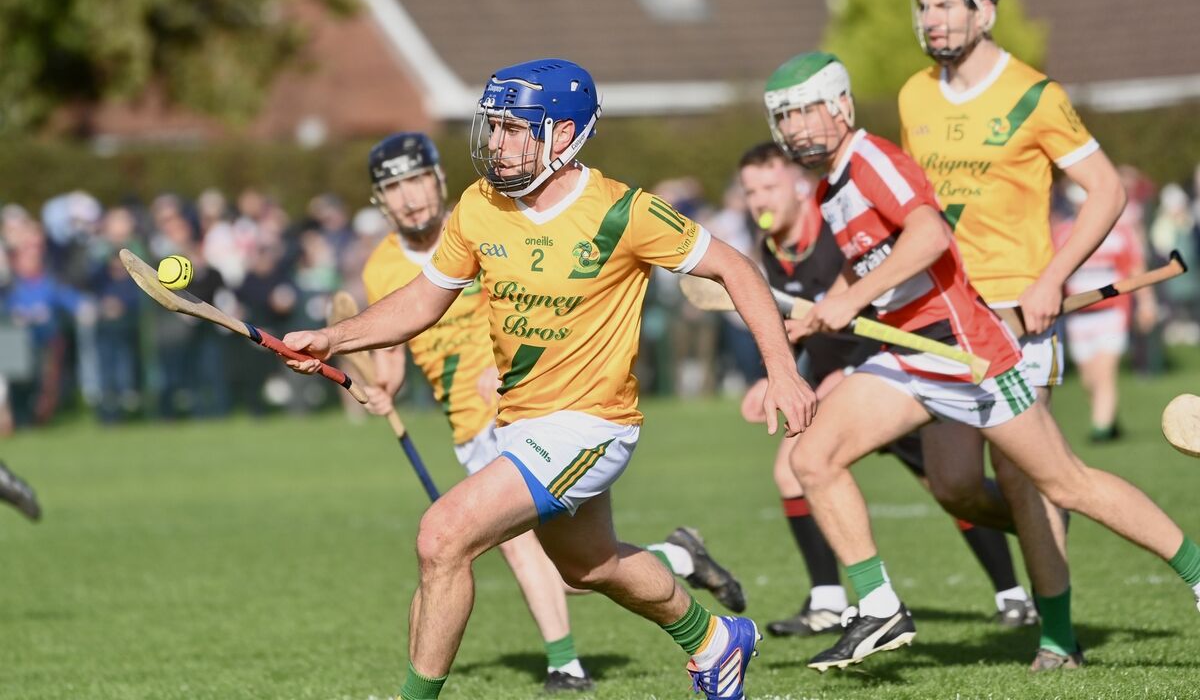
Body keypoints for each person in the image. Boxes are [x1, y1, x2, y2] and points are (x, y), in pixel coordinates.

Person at [284, 59, 816, 700]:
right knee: (589, 566)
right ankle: (713, 641)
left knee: (442, 535)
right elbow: (423, 300)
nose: (497, 142)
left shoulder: (623, 211)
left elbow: (738, 271)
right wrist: (335, 339)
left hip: (591, 425)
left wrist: (781, 371)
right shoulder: (480, 206)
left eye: (514, 128)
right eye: (494, 126)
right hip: (524, 424)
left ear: (562, 136)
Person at [760, 50, 1200, 674]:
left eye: (807, 109)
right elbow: (874, 270)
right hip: (910, 355)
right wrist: (820, 310)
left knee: (1066, 483)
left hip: (968, 354)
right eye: (785, 115)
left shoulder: (873, 161)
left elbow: (930, 236)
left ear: (841, 106)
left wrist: (853, 297)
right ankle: (880, 606)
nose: (798, 125)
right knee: (813, 457)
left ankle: (1198, 574)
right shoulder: (831, 185)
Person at [357, 131, 747, 692]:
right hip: (471, 429)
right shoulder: (382, 267)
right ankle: (690, 588)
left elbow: (546, 303)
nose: (410, 197)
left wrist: (508, 369)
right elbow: (394, 350)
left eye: (417, 180)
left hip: (536, 412)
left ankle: (563, 661)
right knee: (579, 568)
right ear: (379, 199)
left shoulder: (487, 215)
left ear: (438, 179)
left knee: (452, 541)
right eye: (394, 188)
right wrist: (379, 384)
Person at [899, 0, 1139, 668]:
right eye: (925, 6)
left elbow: (1106, 190)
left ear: (985, 10)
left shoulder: (1035, 95)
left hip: (1017, 315)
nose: (934, 20)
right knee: (954, 485)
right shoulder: (915, 95)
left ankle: (1058, 636)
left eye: (948, 5)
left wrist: (1053, 278)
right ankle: (1056, 518)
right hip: (946, 319)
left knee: (1026, 480)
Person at [736, 141, 1035, 635]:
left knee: (952, 488)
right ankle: (830, 600)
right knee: (795, 467)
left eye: (769, 187)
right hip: (850, 384)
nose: (760, 200)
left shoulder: (835, 234)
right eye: (750, 192)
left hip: (895, 373)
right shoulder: (773, 249)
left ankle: (1014, 592)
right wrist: (779, 376)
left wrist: (843, 375)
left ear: (797, 186)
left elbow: (882, 307)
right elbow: (808, 326)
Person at [1053, 182, 1156, 442]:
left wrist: (1146, 303)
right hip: (1078, 315)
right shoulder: (1063, 233)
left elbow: (1135, 269)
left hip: (1113, 312)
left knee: (1104, 372)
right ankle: (1109, 418)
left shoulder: (1120, 233)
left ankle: (1101, 428)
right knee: (1089, 378)